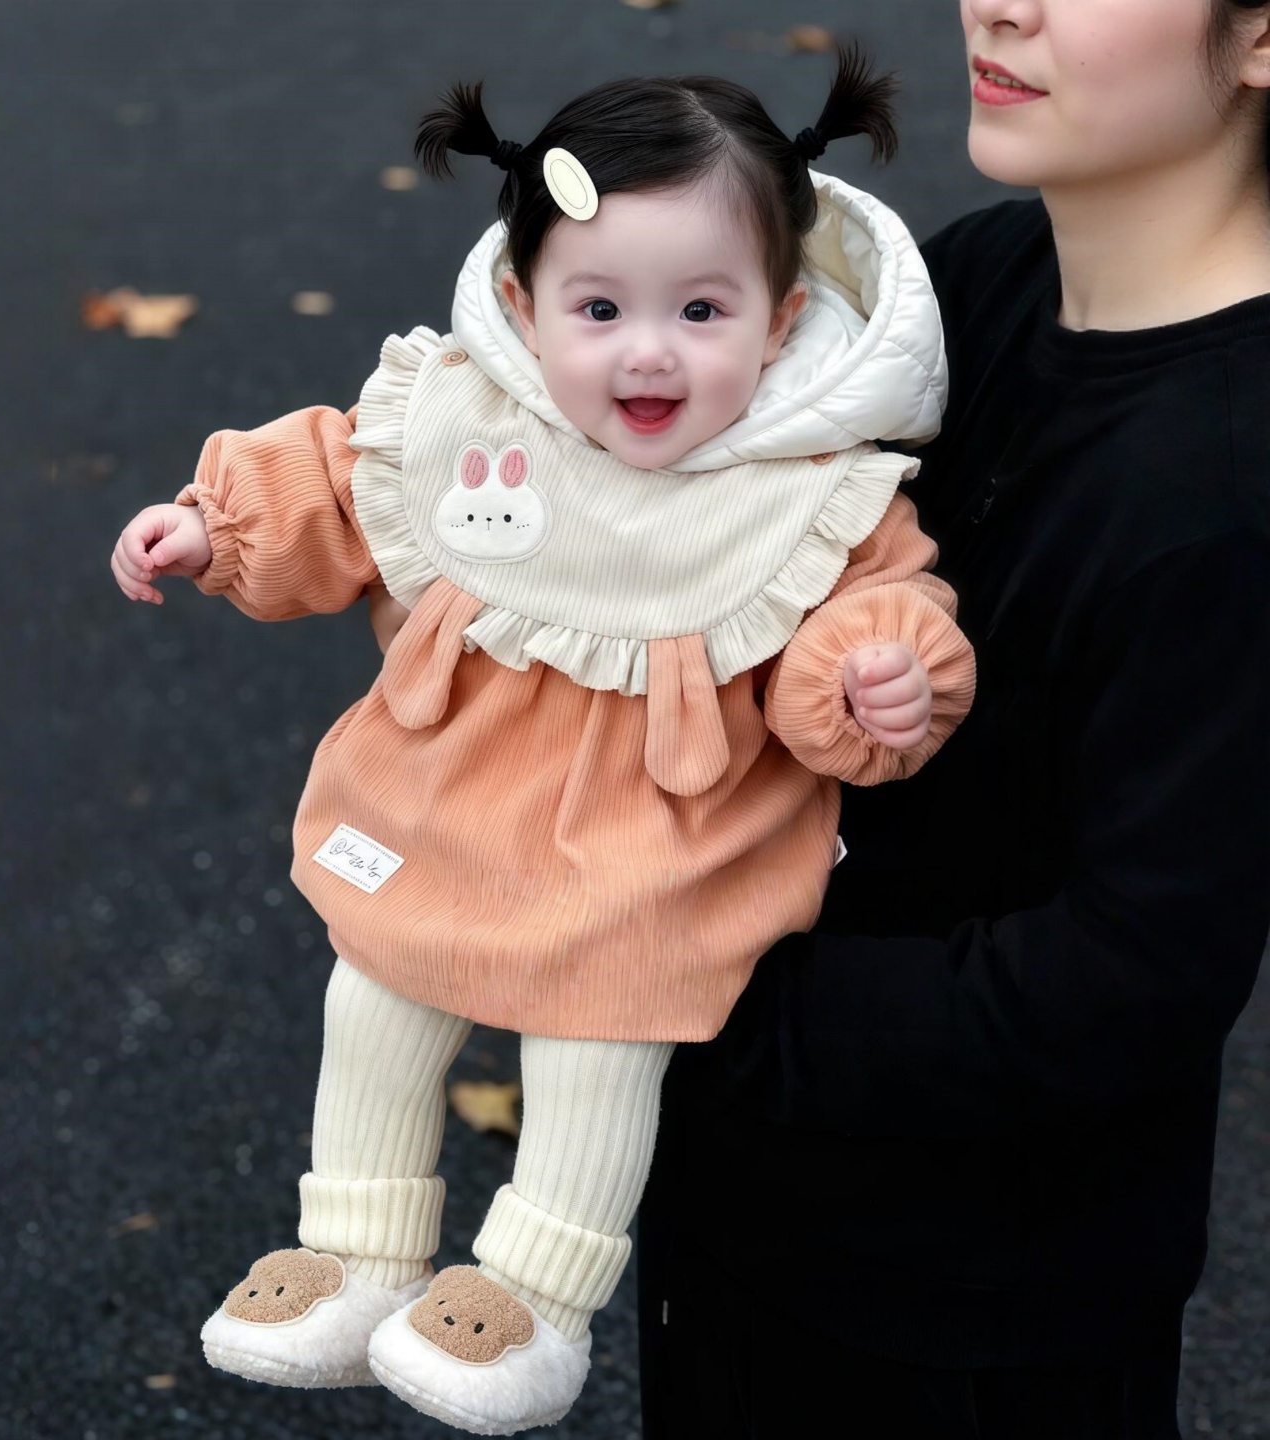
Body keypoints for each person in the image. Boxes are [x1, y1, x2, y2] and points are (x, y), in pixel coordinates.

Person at [110, 50, 977, 1437]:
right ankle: (354, 1249)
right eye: (599, 306)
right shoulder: (471, 413)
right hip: (453, 789)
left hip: (657, 839)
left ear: (784, 314)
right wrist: (221, 525)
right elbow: (338, 473)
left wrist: (876, 681)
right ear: (523, 305)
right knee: (378, 987)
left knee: (601, 1037)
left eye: (704, 308)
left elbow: (875, 606)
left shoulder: (809, 485)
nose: (649, 351)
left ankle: (530, 1292)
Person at [626, 1, 1270, 1436]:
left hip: (973, 1317)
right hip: (748, 1217)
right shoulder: (969, 284)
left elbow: (1130, 975)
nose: (1002, 3)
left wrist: (689, 1005)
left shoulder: (1229, 487)